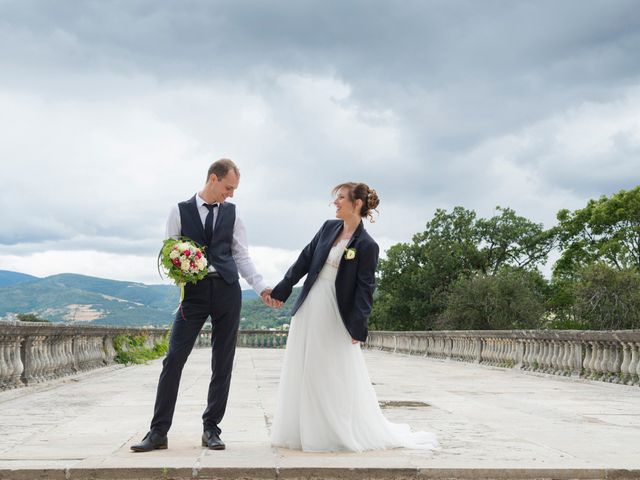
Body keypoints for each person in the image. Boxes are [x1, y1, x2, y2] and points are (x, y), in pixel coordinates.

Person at [268, 182, 438, 452]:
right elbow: (304, 260)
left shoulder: (367, 245)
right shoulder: (327, 228)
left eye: (340, 198)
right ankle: (301, 430)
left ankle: (331, 431)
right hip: (310, 305)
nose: (335, 203)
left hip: (336, 312)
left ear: (357, 203)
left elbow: (364, 289)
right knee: (304, 367)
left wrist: (358, 327)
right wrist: (281, 290)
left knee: (327, 371)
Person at [131, 158, 281, 453]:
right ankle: (158, 431)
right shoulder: (179, 211)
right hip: (194, 293)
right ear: (213, 178)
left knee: (222, 362)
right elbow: (169, 251)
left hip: (227, 290)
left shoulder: (234, 215)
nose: (231, 194)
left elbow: (241, 255)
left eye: (234, 189)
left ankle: (211, 428)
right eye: (228, 187)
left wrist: (261, 287)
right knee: (173, 359)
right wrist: (184, 268)